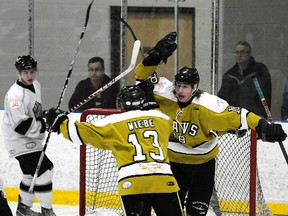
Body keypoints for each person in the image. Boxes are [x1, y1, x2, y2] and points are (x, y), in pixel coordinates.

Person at [133, 32, 287, 216]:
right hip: (173, 164)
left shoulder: (209, 106)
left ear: (195, 88)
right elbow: (141, 76)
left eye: (186, 87)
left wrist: (263, 128)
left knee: (196, 212)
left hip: (202, 167)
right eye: (179, 85)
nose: (180, 90)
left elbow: (241, 115)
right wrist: (156, 56)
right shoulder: (166, 93)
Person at [46, 84, 183, 216]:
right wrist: (152, 105)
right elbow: (168, 122)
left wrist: (60, 121)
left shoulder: (114, 122)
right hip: (164, 181)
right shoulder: (162, 118)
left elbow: (79, 133)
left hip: (133, 183)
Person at [1, 55, 56, 216]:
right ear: (19, 73)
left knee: (30, 174)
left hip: (29, 138)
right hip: (18, 140)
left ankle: (23, 208)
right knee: (45, 170)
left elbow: (34, 112)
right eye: (25, 72)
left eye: (32, 72)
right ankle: (47, 210)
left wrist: (47, 115)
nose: (29, 76)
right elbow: (20, 125)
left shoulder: (35, 85)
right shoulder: (15, 96)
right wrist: (45, 125)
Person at [218, 40, 272, 119]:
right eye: (237, 52)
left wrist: (261, 116)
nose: (239, 55)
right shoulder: (229, 75)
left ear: (249, 53)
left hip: (254, 118)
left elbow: (265, 97)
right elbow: (221, 99)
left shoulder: (259, 72)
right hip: (234, 119)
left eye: (243, 52)